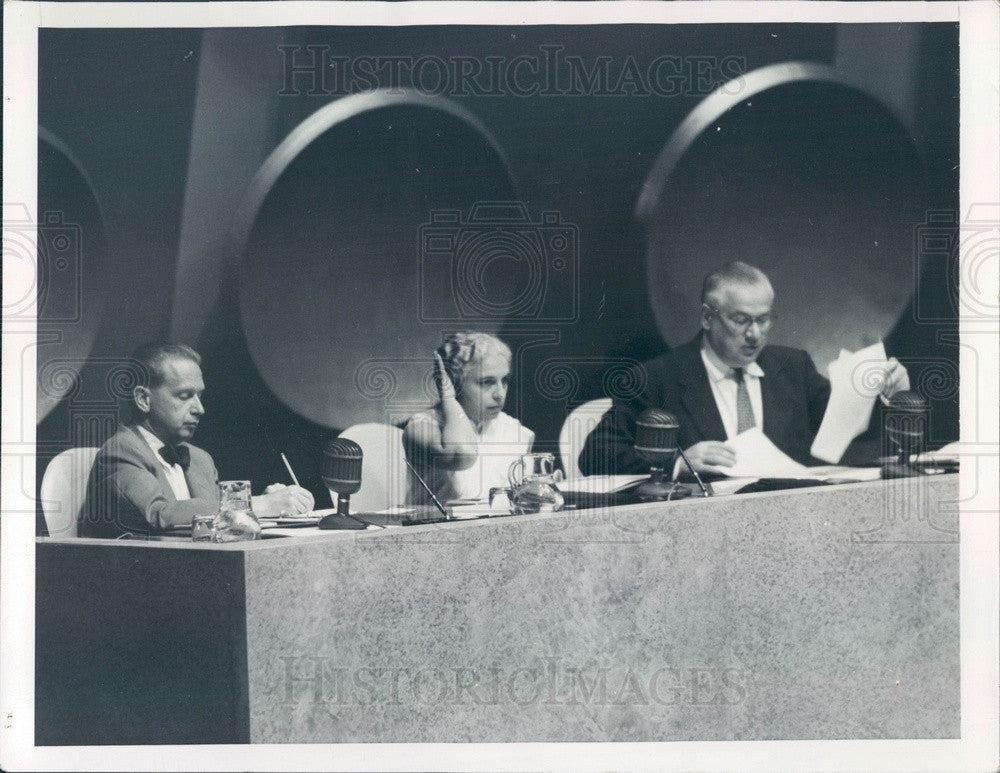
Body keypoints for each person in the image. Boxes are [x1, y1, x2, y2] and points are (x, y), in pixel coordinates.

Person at [580, 262, 910, 476]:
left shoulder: (793, 367)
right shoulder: (656, 379)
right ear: (708, 318)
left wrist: (887, 398)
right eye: (741, 320)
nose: (754, 334)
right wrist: (679, 463)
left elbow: (849, 431)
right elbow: (595, 457)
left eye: (763, 320)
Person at [80, 343, 314, 538]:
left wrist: (272, 502)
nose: (200, 409)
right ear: (143, 399)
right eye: (185, 396)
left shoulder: (201, 459)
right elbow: (159, 515)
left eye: (199, 396)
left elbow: (217, 520)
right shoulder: (121, 450)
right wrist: (259, 505)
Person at [402, 333, 534, 504]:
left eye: (505, 381)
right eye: (487, 382)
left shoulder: (512, 428)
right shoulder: (423, 426)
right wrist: (448, 398)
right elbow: (462, 453)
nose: (500, 394)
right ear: (453, 382)